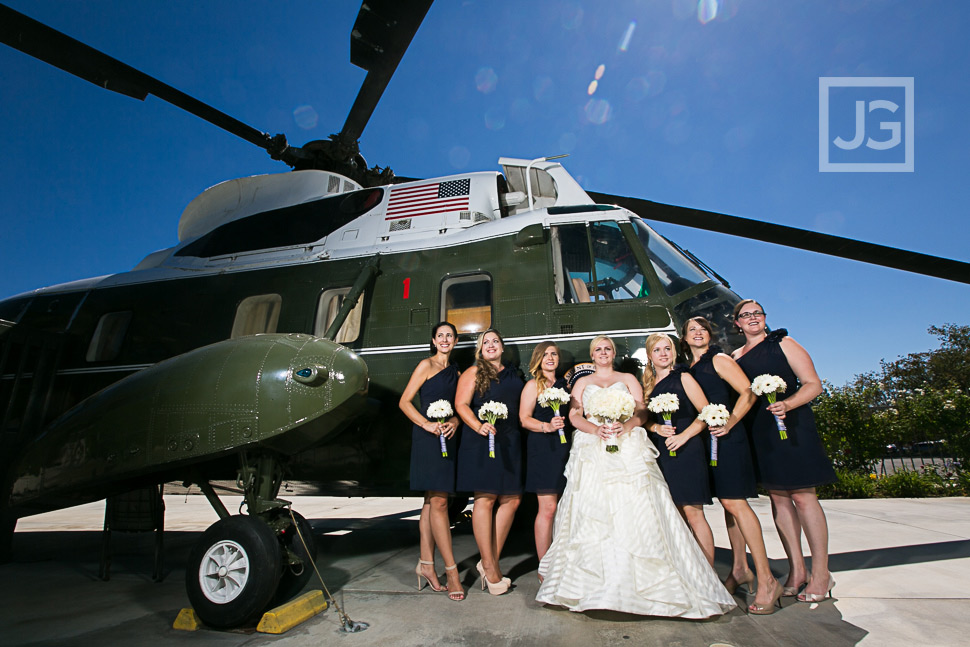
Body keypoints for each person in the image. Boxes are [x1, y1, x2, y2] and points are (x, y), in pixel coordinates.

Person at [536, 335, 735, 618]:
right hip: (593, 448)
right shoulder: (581, 383)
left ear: (613, 352)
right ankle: (591, 587)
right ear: (592, 355)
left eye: (607, 348)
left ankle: (651, 587)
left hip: (627, 442)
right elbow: (575, 415)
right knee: (594, 511)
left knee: (636, 508)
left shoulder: (628, 378)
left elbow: (641, 410)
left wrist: (626, 425)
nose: (603, 353)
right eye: (598, 349)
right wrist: (595, 430)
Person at [731, 299, 838, 603]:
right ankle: (797, 570)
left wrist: (788, 404)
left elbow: (813, 384)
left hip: (792, 427)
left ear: (764, 318)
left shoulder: (783, 343)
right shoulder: (735, 356)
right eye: (745, 315)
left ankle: (821, 573)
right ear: (737, 323)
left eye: (757, 313)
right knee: (778, 499)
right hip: (761, 433)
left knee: (804, 497)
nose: (752, 318)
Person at [683, 316, 783, 614]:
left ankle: (766, 579)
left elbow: (749, 391)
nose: (698, 333)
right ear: (684, 338)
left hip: (727, 438)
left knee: (735, 503)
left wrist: (731, 421)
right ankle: (740, 569)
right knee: (728, 506)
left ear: (710, 335)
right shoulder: (689, 368)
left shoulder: (720, 359)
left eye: (703, 329)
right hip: (708, 440)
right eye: (692, 330)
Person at [398, 321, 464, 601]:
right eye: (441, 336)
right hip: (428, 439)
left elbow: (461, 407)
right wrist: (425, 424)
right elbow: (404, 401)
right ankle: (452, 572)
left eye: (450, 335)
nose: (445, 339)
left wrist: (455, 421)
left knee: (430, 501)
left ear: (456, 341)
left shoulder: (457, 372)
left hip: (447, 438)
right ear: (434, 341)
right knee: (438, 502)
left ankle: (426, 564)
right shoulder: (425, 366)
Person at [455, 329, 523, 595]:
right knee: (485, 499)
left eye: (496, 341)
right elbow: (460, 405)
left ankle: (487, 561)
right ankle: (492, 571)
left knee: (513, 499)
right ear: (480, 350)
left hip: (510, 442)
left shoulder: (513, 374)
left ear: (503, 347)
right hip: (482, 441)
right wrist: (478, 426)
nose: (491, 345)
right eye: (486, 342)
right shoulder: (473, 373)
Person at [642, 333, 716, 566]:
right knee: (675, 514)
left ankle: (709, 574)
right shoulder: (647, 385)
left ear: (674, 352)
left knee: (694, 512)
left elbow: (707, 412)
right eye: (657, 350)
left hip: (686, 450)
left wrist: (684, 436)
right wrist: (655, 427)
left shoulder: (683, 377)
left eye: (667, 349)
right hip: (663, 454)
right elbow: (645, 420)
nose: (663, 353)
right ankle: (688, 568)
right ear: (649, 355)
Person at [518, 341, 569, 575]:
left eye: (554, 354)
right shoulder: (532, 386)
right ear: (538, 358)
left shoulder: (564, 385)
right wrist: (547, 426)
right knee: (547, 508)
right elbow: (524, 419)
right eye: (546, 354)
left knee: (563, 507)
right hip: (543, 449)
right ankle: (544, 566)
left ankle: (561, 560)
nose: (550, 358)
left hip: (565, 450)